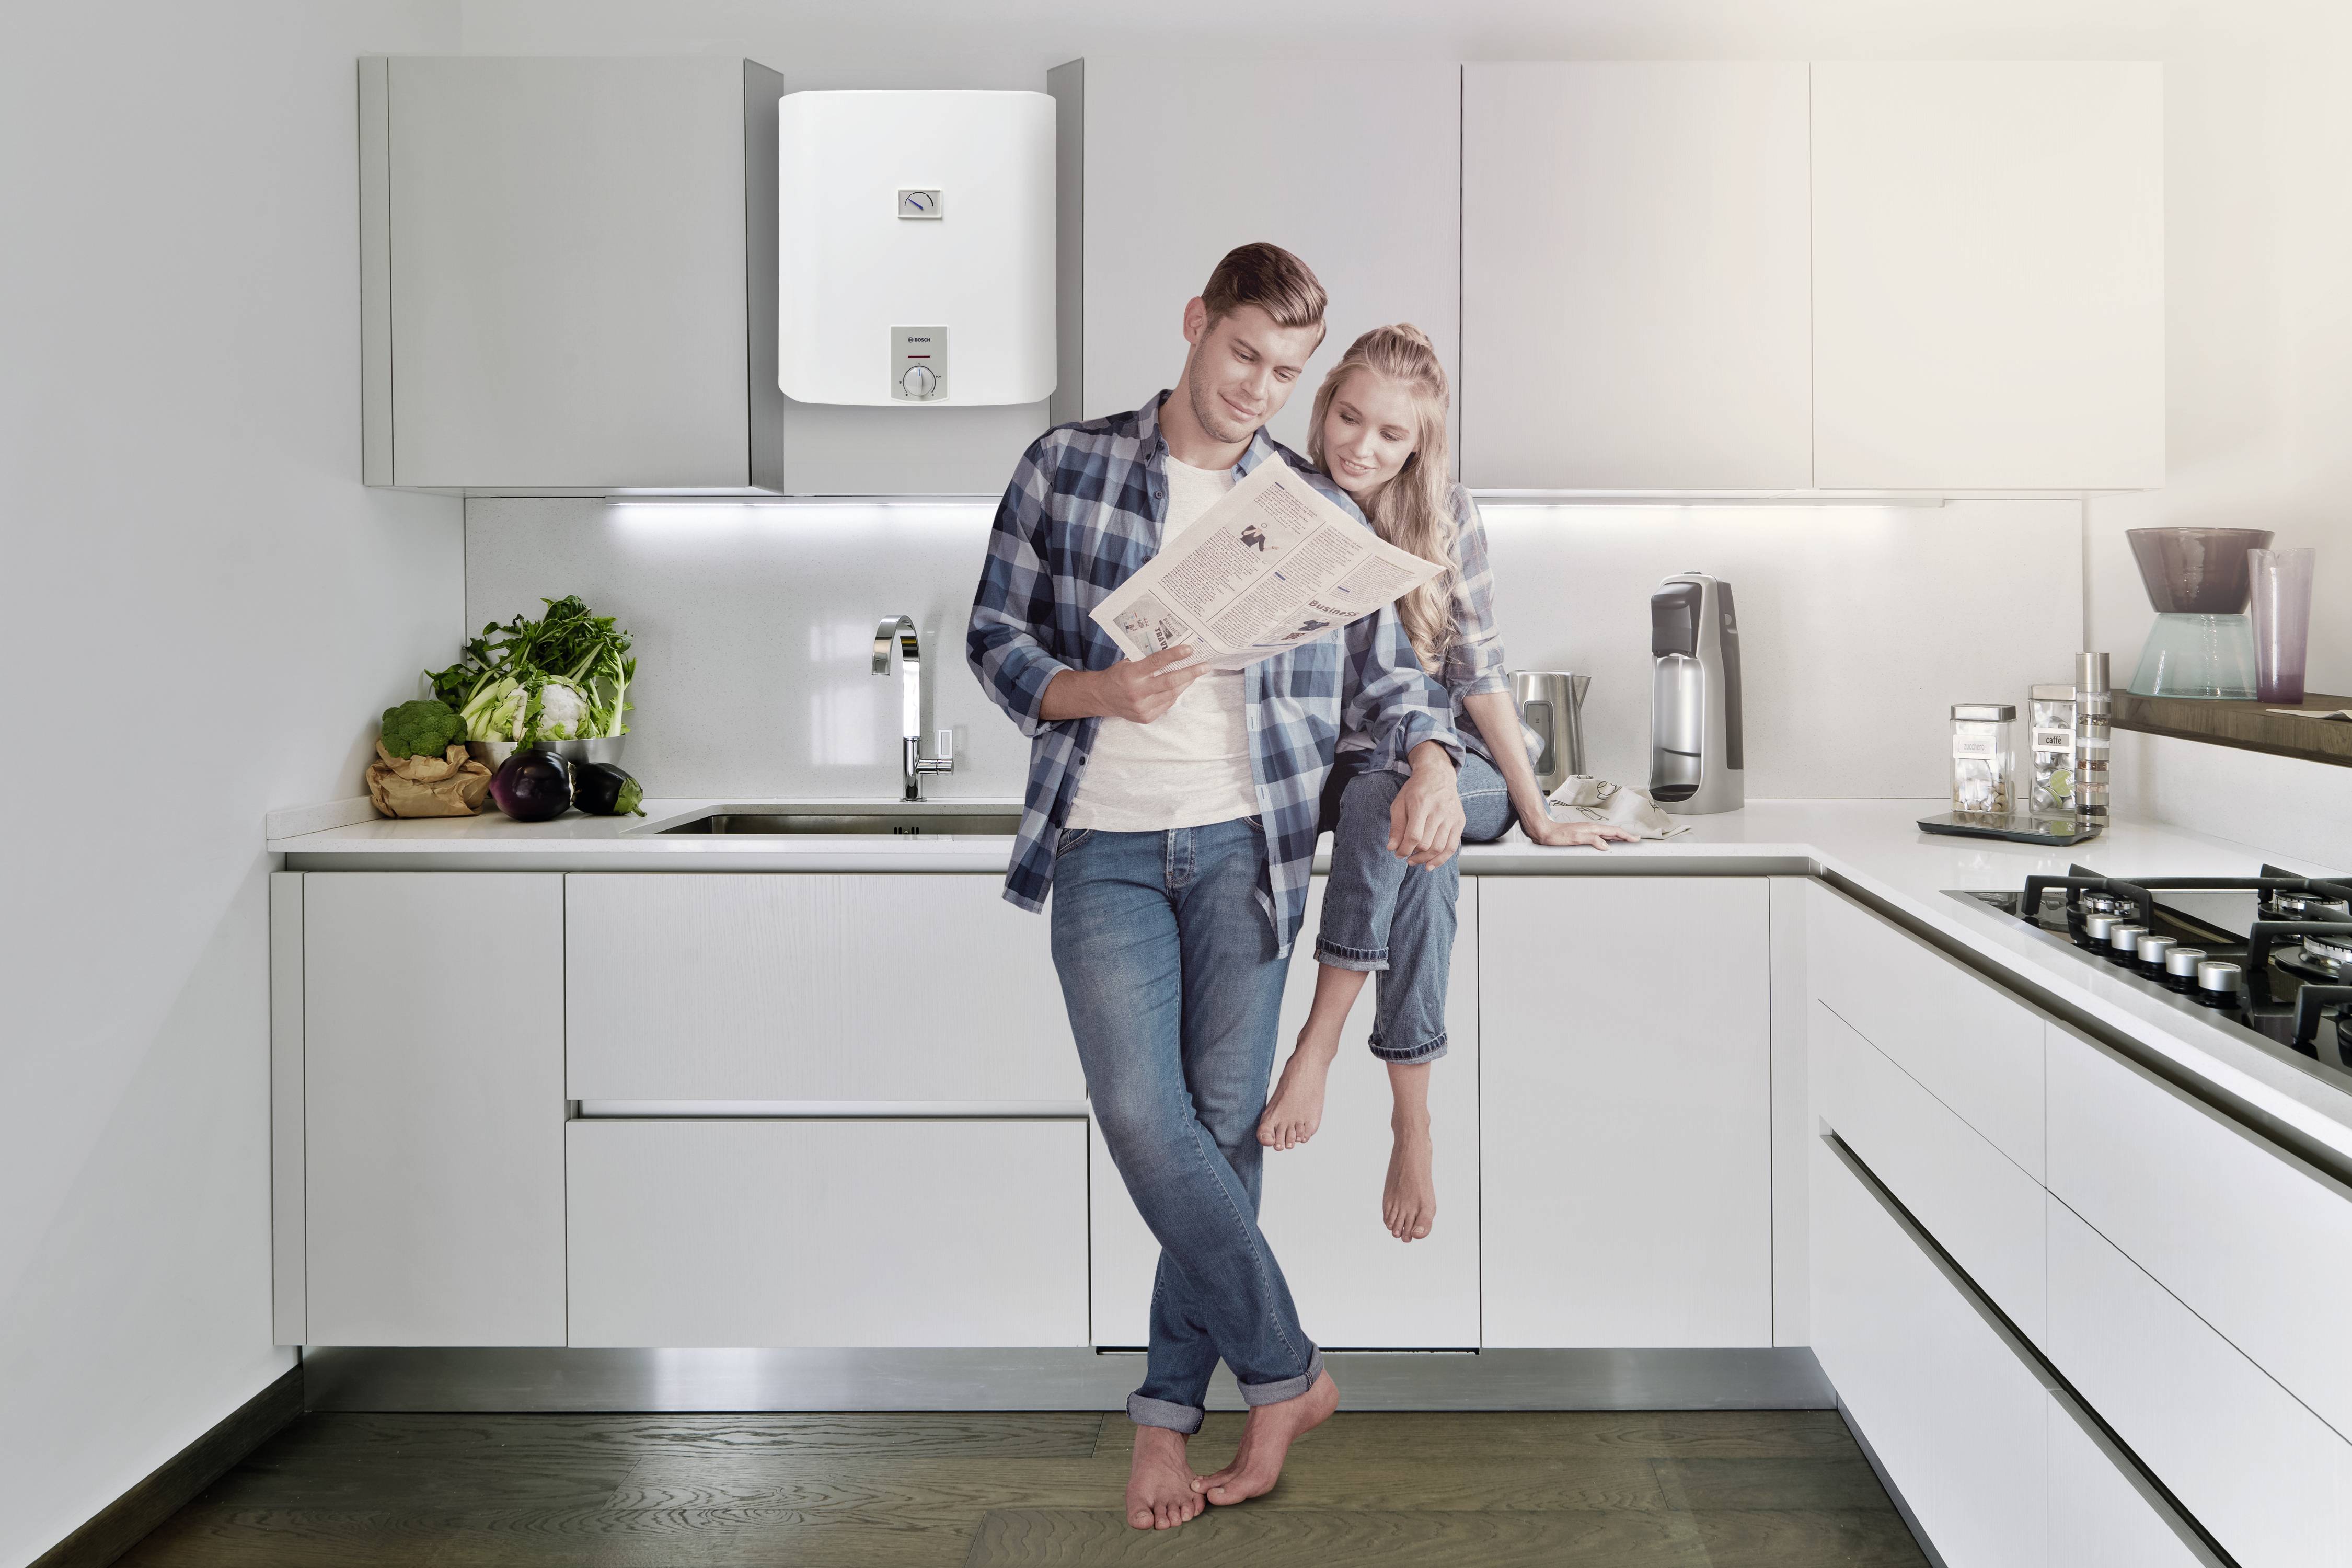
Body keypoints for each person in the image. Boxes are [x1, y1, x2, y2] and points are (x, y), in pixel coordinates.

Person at [967, 247, 1469, 1531]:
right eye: (1246, 353)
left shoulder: (1315, 508)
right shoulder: (1066, 464)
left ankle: (1164, 1422)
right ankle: (1288, 1374)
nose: (1261, 387)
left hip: (1247, 858)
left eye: (1288, 371)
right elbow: (995, 637)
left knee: (1219, 1138)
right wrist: (1097, 689)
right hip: (1106, 844)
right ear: (1197, 326)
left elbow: (1397, 682)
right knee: (1146, 1120)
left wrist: (1429, 761)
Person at [1257, 324, 1639, 1242]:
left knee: (1401, 794)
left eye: (1391, 435)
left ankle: (1320, 1039)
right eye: (1349, 418)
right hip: (1350, 774)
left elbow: (1479, 674)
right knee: (1401, 826)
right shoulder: (1286, 503)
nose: (1362, 445)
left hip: (1457, 766)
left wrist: (1539, 813)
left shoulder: (1447, 514)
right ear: (1323, 407)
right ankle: (1412, 1110)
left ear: (1420, 444)